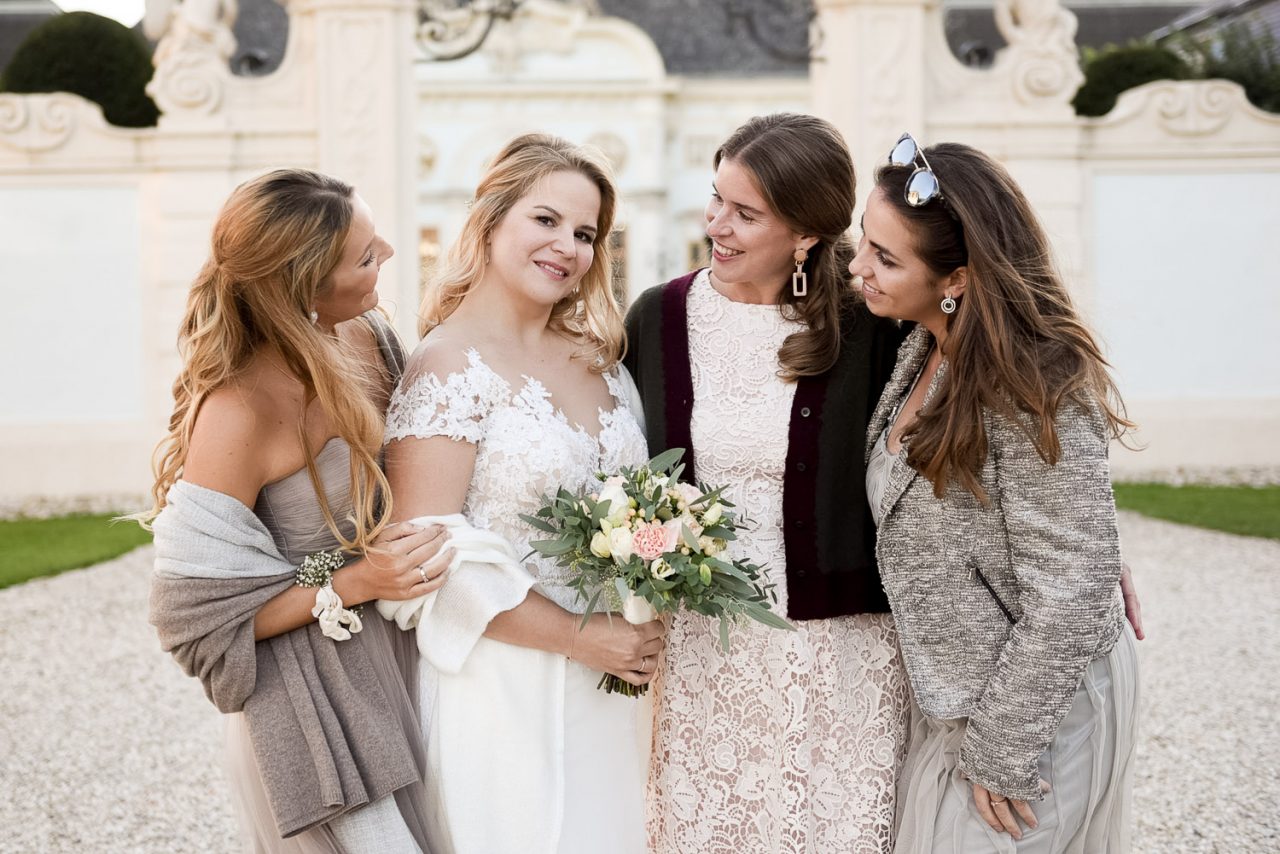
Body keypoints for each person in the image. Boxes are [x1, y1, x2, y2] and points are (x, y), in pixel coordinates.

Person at [624, 113, 912, 852]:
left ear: (807, 234)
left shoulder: (870, 322)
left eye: (745, 213)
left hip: (841, 651)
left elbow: (969, 441)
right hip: (697, 651)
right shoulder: (658, 317)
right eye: (716, 198)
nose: (716, 223)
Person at [144, 169, 451, 853]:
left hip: (410, 650)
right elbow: (191, 620)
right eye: (367, 255)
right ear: (305, 286)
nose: (390, 257)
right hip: (319, 697)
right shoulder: (236, 412)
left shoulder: (370, 335)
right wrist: (354, 581)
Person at [856, 135, 1139, 852]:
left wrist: (1004, 749)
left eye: (884, 258)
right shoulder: (921, 345)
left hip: (1038, 708)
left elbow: (1072, 589)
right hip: (955, 701)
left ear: (956, 278)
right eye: (865, 240)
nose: (857, 266)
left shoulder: (1033, 385)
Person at [382, 133, 663, 854]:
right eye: (545, 220)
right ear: (491, 218)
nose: (567, 246)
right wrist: (579, 638)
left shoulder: (604, 365)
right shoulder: (446, 367)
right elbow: (422, 563)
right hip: (501, 690)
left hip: (617, 687)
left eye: (585, 233)